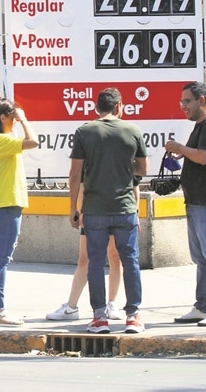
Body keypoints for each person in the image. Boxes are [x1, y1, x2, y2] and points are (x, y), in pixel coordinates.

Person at [67, 87, 148, 334]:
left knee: (94, 262)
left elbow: (75, 174)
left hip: (94, 209)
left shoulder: (84, 131)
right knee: (129, 261)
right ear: (119, 106)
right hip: (124, 208)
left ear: (96, 108)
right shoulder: (132, 130)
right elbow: (142, 170)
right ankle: (133, 315)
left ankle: (99, 317)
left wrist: (73, 208)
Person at [163, 81, 206, 327]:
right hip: (195, 202)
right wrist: (182, 153)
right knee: (201, 259)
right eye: (182, 102)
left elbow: (204, 156)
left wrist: (181, 148)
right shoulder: (200, 126)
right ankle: (203, 306)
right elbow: (198, 153)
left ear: (201, 100)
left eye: (187, 101)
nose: (183, 106)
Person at [0, 97, 39, 326]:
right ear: (3, 118)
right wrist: (24, 119)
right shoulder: (1, 140)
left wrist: (17, 118)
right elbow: (33, 141)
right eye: (12, 118)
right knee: (1, 259)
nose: (15, 122)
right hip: (6, 203)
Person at [45, 185, 125, 323]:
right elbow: (81, 183)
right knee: (84, 259)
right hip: (93, 212)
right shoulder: (89, 162)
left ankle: (112, 303)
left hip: (116, 210)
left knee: (115, 257)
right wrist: (81, 210)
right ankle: (71, 306)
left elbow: (133, 182)